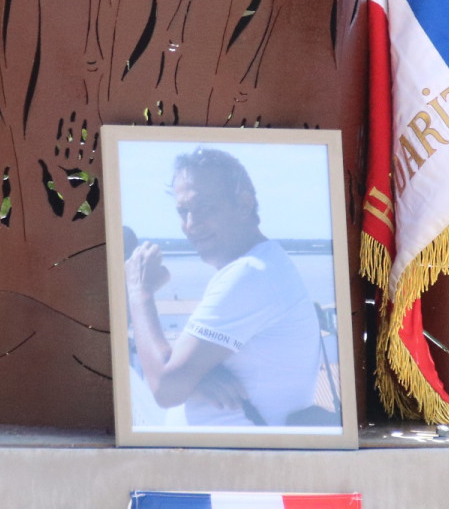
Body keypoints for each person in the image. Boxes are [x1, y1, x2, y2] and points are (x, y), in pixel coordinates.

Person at [125, 148, 325, 427]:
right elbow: (177, 377)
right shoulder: (265, 264)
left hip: (229, 463)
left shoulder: (250, 275)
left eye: (205, 208)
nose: (191, 225)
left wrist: (139, 293)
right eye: (183, 212)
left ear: (244, 204)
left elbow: (165, 388)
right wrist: (196, 377)